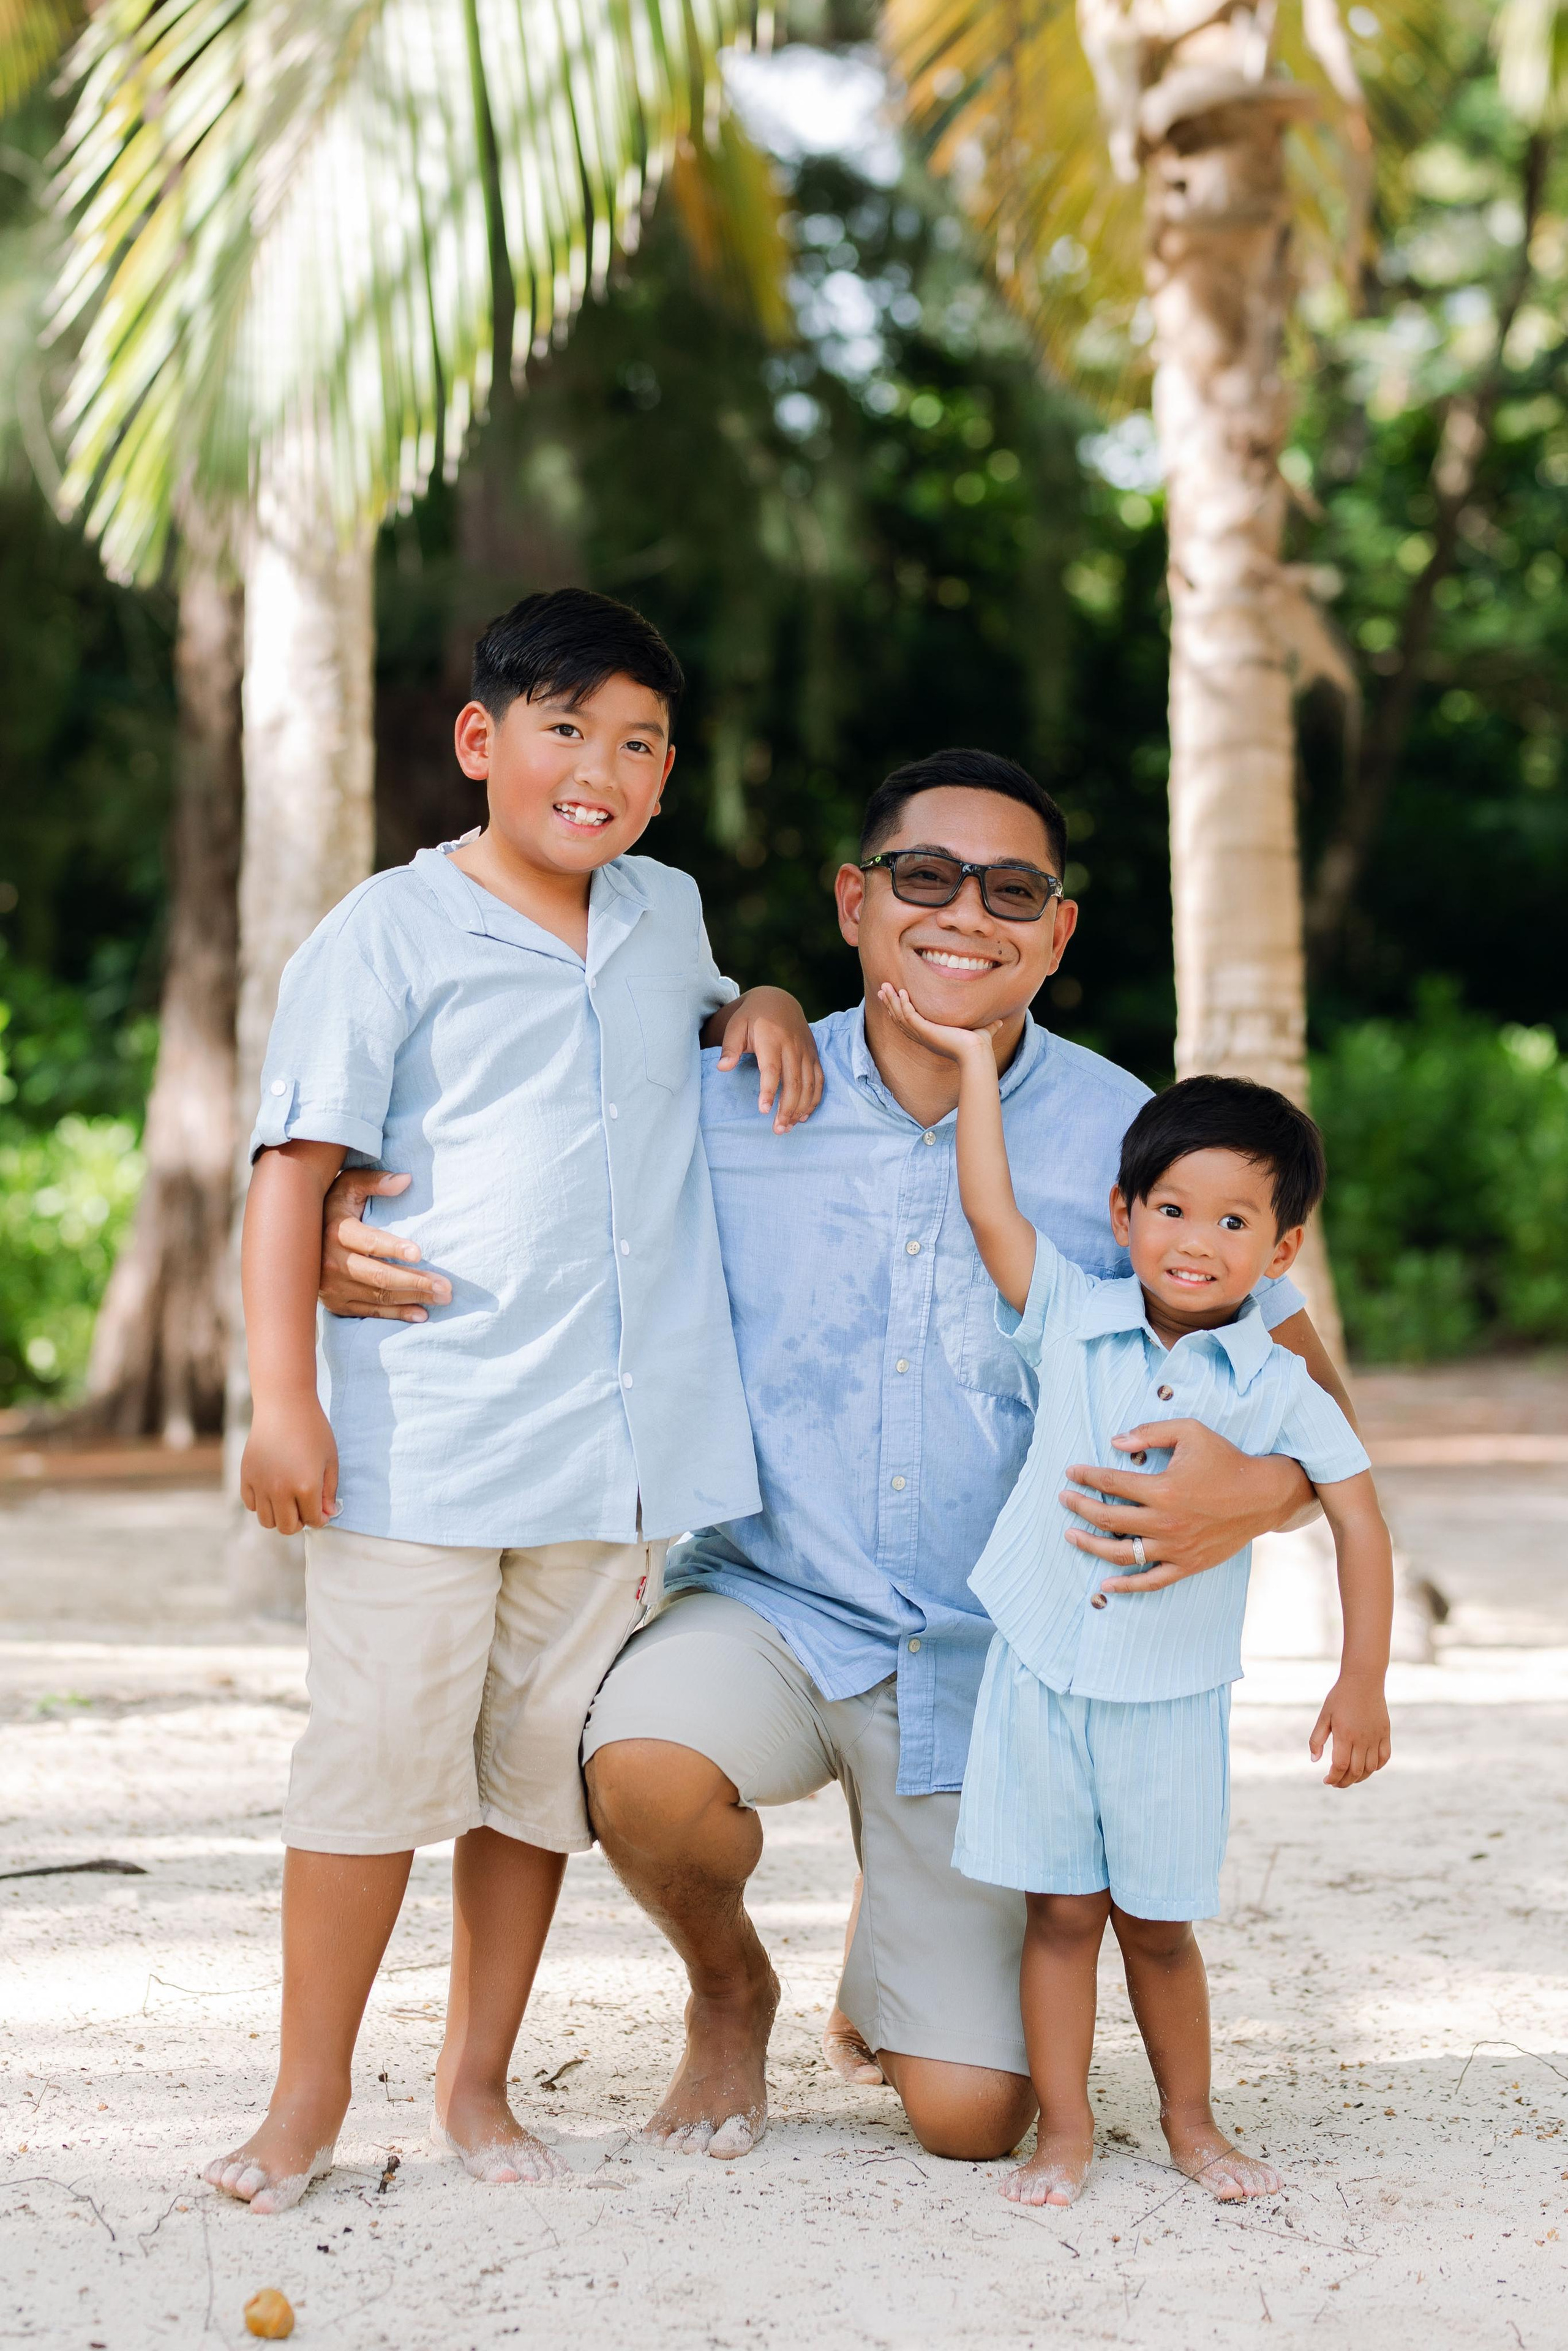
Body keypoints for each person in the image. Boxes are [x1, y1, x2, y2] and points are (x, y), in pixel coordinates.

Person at [320, 748, 1354, 2165]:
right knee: (641, 1770)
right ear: (856, 903)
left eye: (1012, 891)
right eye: (926, 878)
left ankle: (897, 1945)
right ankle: (729, 1991)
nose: (965, 914)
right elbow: (523, 1178)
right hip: (774, 1602)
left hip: (998, 1663)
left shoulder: (1139, 1142)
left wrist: (1259, 1494)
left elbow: (1312, 1400)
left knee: (971, 2122)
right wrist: (333, 1230)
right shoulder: (726, 1096)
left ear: (1058, 932)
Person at [203, 589, 821, 2214]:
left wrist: (761, 1005)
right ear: (482, 741)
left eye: (639, 745)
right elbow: (291, 1174)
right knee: (370, 1771)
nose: (598, 770)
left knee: (530, 1780)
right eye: (565, 731)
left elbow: (708, 1009)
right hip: (422, 1445)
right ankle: (305, 2102)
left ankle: (476, 2085)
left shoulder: (665, 912)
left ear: (668, 776)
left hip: (605, 1462)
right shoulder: (388, 932)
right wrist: (284, 1401)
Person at [879, 994, 1393, 2206]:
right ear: (1125, 1214)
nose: (1195, 1241)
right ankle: (1063, 2133)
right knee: (1061, 1917)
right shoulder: (1071, 1318)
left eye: (1233, 1221)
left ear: (1281, 1253)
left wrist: (1360, 1680)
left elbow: (1359, 1519)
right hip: (1039, 1678)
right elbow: (990, 1210)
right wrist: (976, 1068)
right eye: (1171, 1209)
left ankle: (1192, 2126)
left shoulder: (1279, 1388)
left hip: (1169, 1700)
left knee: (1157, 1927)